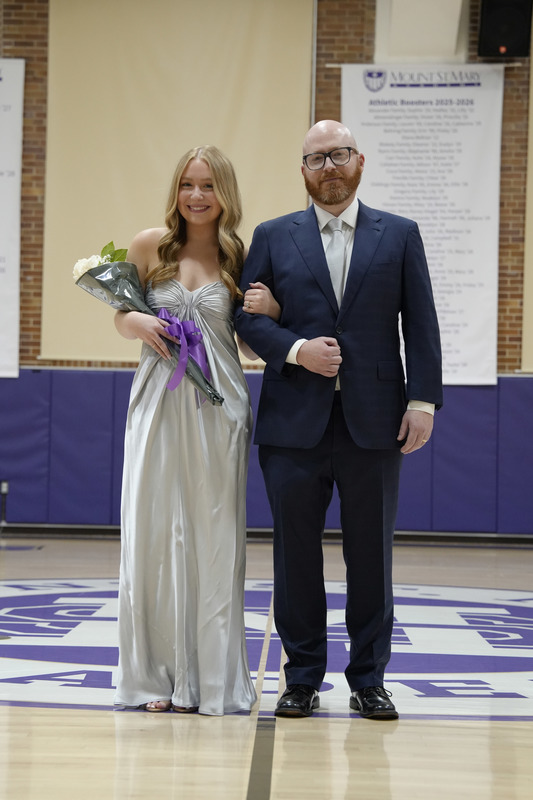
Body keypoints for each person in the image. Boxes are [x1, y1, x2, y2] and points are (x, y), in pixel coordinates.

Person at [234, 120, 443, 720]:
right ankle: (300, 678)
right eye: (316, 158)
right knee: (294, 555)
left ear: (359, 162)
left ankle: (369, 679)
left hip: (375, 423)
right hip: (292, 423)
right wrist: (299, 349)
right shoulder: (273, 236)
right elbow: (247, 319)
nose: (329, 166)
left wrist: (423, 402)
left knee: (371, 555)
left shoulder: (400, 235)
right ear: (302, 170)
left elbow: (420, 324)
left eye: (339, 154)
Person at [113, 145, 278, 715]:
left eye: (208, 185)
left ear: (224, 192)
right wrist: (132, 319)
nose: (197, 196)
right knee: (153, 534)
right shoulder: (147, 245)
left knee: (213, 540)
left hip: (219, 408)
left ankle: (209, 680)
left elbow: (252, 341)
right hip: (157, 402)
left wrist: (273, 314)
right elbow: (120, 315)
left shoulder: (242, 255)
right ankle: (156, 677)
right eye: (188, 184)